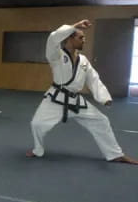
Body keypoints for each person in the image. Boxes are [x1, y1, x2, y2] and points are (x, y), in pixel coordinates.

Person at [27, 19, 138, 164]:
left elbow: (93, 79)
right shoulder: (56, 55)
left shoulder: (83, 60)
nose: (84, 40)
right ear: (69, 38)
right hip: (56, 98)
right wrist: (74, 26)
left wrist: (104, 97)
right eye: (81, 37)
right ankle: (38, 150)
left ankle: (115, 154)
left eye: (84, 37)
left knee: (101, 121)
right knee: (37, 124)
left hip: (75, 101)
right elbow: (53, 38)